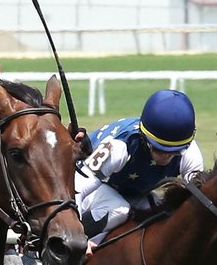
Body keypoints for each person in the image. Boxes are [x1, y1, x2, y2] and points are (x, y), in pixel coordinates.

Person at [76, 89, 204, 252]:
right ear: (144, 137)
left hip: (132, 193)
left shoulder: (190, 154)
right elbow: (77, 188)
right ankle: (66, 248)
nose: (165, 156)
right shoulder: (120, 147)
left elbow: (197, 204)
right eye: (158, 149)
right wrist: (76, 236)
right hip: (88, 189)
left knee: (164, 211)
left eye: (174, 152)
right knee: (119, 209)